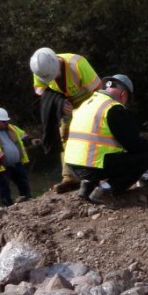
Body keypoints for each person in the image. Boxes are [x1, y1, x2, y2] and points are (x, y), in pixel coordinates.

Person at [64, 74, 148, 208]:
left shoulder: (86, 104)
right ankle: (105, 190)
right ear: (123, 94)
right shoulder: (113, 108)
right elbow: (133, 144)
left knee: (107, 160)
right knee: (147, 157)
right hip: (92, 166)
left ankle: (87, 186)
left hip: (72, 165)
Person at [30, 47, 101, 193]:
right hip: (65, 103)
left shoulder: (78, 64)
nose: (53, 79)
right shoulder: (40, 69)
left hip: (88, 100)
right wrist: (60, 103)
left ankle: (100, 172)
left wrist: (86, 111)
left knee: (95, 133)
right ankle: (70, 178)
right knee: (65, 135)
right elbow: (43, 92)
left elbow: (98, 92)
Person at [0, 107, 39, 205]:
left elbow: (24, 138)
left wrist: (32, 141)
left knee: (24, 184)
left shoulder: (11, 128)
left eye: (6, 121)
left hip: (17, 164)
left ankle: (28, 203)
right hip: (2, 167)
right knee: (4, 188)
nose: (6, 123)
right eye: (3, 121)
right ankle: (8, 207)